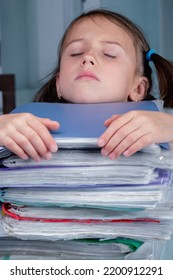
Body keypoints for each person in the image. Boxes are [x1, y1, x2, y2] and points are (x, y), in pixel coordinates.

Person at [1, 8, 173, 162]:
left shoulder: (162, 126)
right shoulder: (21, 125)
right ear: (58, 84)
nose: (87, 57)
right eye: (76, 52)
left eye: (109, 54)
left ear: (138, 88)